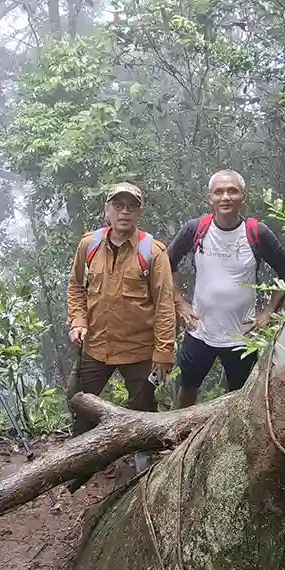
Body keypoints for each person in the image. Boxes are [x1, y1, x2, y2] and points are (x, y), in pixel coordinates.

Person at [66, 182, 176, 472]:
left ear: (139, 212)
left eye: (131, 207)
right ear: (107, 210)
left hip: (139, 350)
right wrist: (78, 320)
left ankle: (144, 464)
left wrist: (164, 353)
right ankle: (82, 462)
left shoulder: (152, 252)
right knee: (80, 403)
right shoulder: (88, 246)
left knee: (143, 411)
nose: (124, 212)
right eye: (118, 205)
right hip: (96, 346)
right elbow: (76, 286)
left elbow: (165, 304)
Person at [168, 170, 285, 408]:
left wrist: (268, 312)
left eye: (232, 191)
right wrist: (180, 302)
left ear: (243, 198)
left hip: (242, 335)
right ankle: (178, 437)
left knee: (241, 395)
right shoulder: (195, 229)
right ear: (210, 199)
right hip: (200, 329)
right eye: (219, 192)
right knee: (187, 386)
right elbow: (167, 263)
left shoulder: (257, 233)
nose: (225, 197)